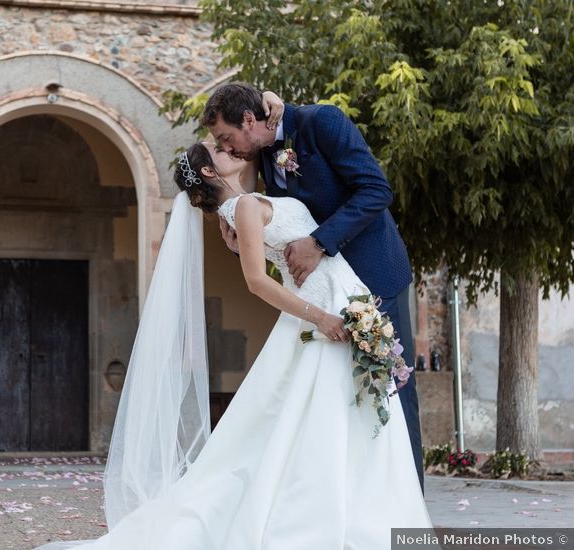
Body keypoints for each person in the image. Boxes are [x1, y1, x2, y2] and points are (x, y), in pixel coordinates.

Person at [35, 141, 433, 550]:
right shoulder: (242, 210)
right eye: (219, 150)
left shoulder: (247, 204)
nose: (230, 149)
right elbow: (257, 282)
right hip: (324, 317)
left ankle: (357, 516)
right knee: (330, 419)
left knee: (345, 416)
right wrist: (321, 317)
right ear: (209, 172)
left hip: (344, 304)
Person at [204, 83, 424, 489]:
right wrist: (240, 245)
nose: (228, 148)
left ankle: (410, 509)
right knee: (344, 401)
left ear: (249, 120)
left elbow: (376, 190)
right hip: (326, 294)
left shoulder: (322, 121)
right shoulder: (266, 154)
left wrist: (320, 242)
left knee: (392, 392)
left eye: (226, 138)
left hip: (374, 278)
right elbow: (285, 225)